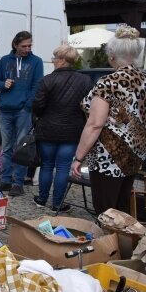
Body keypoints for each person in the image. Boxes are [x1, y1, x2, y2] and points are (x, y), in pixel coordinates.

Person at [72, 26, 146, 214]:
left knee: (106, 210)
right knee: (122, 206)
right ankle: (123, 242)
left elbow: (95, 124)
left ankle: (110, 243)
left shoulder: (109, 83)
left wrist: (78, 157)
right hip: (135, 154)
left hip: (109, 156)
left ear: (111, 56)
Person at [32, 44, 93, 212]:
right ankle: (57, 204)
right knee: (63, 167)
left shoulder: (47, 80)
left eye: (54, 58)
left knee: (46, 165)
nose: (53, 61)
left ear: (62, 60)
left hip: (47, 129)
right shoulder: (86, 81)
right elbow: (89, 107)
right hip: (72, 131)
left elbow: (37, 105)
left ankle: (42, 199)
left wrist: (43, 114)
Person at [0, 31, 44, 197]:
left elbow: (37, 85)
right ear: (15, 45)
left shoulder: (36, 62)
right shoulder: (5, 61)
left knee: (21, 148)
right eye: (24, 46)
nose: (27, 49)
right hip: (6, 109)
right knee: (6, 147)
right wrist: (2, 84)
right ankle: (5, 180)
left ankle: (18, 183)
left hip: (23, 110)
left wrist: (27, 106)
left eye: (30, 45)